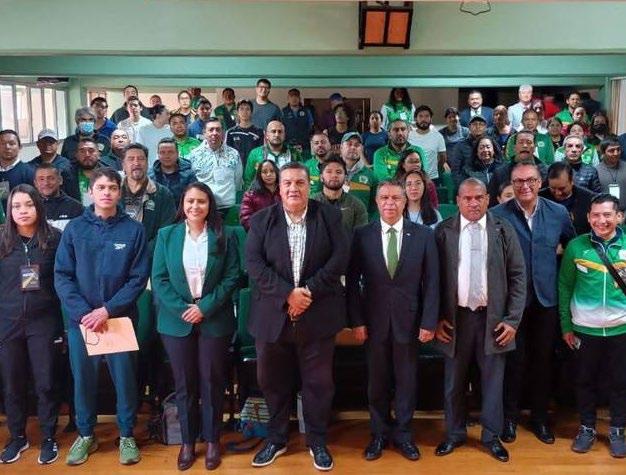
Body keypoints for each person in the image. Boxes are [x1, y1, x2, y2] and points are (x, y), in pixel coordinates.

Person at [245, 162, 349, 471]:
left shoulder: (329, 216)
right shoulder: (262, 220)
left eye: (299, 183)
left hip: (318, 314)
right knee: (272, 382)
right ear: (278, 188)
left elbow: (340, 258)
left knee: (318, 383)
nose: (293, 188)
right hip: (272, 317)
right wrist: (287, 295)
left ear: (309, 185)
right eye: (287, 183)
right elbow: (254, 264)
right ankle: (276, 439)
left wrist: (307, 292)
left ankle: (317, 441)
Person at [54, 167, 150, 466]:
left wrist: (108, 310)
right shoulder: (74, 229)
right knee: (83, 380)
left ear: (119, 193)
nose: (107, 192)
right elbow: (62, 276)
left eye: (112, 187)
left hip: (119, 320)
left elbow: (138, 278)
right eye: (101, 187)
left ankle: (126, 434)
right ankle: (86, 434)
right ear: (90, 192)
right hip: (82, 323)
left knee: (125, 379)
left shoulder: (133, 230)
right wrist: (85, 313)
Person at [433, 178, 526, 463]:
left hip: (493, 320)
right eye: (467, 198)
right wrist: (436, 319)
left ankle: (491, 437)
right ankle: (454, 434)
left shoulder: (503, 229)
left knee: (493, 382)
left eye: (478, 198)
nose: (473, 203)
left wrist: (512, 320)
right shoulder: (443, 231)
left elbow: (518, 276)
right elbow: (431, 279)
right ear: (458, 201)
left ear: (488, 199)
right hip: (455, 319)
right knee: (453, 382)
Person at [347, 179, 439, 462]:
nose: (390, 203)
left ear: (405, 201)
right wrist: (357, 321)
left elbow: (432, 283)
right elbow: (352, 283)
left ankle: (404, 435)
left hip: (409, 323)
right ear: (376, 201)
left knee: (406, 382)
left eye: (396, 198)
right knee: (377, 382)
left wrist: (429, 322)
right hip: (373, 323)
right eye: (384, 198)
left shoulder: (423, 235)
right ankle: (378, 434)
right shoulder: (362, 235)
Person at [152, 183, 240, 471]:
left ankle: (213, 440)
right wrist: (183, 309)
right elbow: (159, 279)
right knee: (184, 384)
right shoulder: (167, 235)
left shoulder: (224, 234)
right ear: (182, 204)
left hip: (214, 319)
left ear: (209, 205)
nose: (195, 206)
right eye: (190, 201)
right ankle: (188, 441)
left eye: (201, 201)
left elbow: (231, 277)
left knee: (212, 381)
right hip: (175, 322)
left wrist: (204, 307)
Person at [491, 161, 575, 445]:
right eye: (518, 181)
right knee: (512, 362)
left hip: (546, 299)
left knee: (542, 362)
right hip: (511, 303)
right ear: (511, 184)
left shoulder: (558, 213)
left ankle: (540, 418)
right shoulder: (497, 215)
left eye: (530, 180)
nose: (524, 186)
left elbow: (572, 246)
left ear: (540, 183)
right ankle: (509, 418)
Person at [559, 193, 626, 458]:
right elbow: (565, 287)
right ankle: (586, 428)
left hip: (621, 329)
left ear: (619, 216)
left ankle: (617, 430)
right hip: (584, 329)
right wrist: (566, 325)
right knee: (584, 381)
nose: (601, 220)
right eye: (596, 215)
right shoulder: (576, 247)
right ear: (588, 218)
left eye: (607, 215)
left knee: (620, 382)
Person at [0, 185, 62, 465]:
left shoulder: (54, 239)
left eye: (28, 205)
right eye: (16, 206)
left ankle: (48, 437)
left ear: (38, 206)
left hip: (43, 321)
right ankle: (17, 437)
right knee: (12, 382)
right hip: (7, 323)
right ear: (9, 210)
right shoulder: (2, 240)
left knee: (45, 381)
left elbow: (64, 279)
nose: (22, 211)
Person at [120, 143, 176, 252]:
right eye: (131, 159)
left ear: (147, 163)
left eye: (141, 159)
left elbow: (166, 231)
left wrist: (142, 252)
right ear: (123, 165)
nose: (136, 163)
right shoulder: (112, 191)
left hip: (148, 256)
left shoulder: (163, 194)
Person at [188, 118, 243, 214]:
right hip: (203, 208)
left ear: (223, 133)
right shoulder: (194, 155)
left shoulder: (234, 154)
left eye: (218, 130)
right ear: (204, 133)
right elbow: (191, 182)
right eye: (211, 130)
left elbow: (237, 182)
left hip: (228, 207)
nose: (214, 133)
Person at [312, 155, 368, 232]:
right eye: (329, 171)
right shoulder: (310, 204)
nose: (334, 175)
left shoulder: (356, 205)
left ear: (345, 177)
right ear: (321, 177)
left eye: (338, 172)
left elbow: (362, 236)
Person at [539, 162, 595, 235]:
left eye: (562, 188)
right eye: (553, 188)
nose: (558, 193)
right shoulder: (539, 199)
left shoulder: (589, 199)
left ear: (572, 181)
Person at [244, 120, 300, 189]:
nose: (277, 135)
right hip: (262, 194)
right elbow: (248, 181)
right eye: (273, 131)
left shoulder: (294, 153)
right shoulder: (255, 153)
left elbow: (300, 177)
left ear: (284, 135)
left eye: (280, 131)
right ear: (266, 135)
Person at [148, 138, 198, 207]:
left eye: (170, 152)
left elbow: (194, 198)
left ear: (177, 154)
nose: (166, 156)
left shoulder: (189, 175)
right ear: (158, 155)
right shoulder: (149, 176)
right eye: (162, 152)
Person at [34, 163, 84, 231]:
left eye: (51, 178)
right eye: (41, 179)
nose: (46, 183)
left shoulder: (76, 208)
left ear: (60, 180)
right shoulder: (32, 207)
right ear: (35, 183)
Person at [408, 105, 448, 182]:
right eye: (420, 116)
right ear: (416, 119)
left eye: (427, 116)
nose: (424, 119)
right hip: (412, 177)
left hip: (432, 178)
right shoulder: (409, 136)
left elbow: (443, 157)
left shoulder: (438, 136)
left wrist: (435, 170)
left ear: (431, 119)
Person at [341, 132, 377, 214]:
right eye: (349, 144)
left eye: (357, 145)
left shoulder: (371, 175)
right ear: (341, 147)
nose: (353, 147)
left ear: (361, 149)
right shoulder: (330, 172)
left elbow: (375, 207)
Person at [239, 159, 281, 231]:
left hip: (281, 233)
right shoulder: (250, 195)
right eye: (264, 172)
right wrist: (260, 231)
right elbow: (245, 218)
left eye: (272, 171)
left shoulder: (284, 192)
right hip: (259, 233)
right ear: (259, 174)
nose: (268, 174)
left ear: (276, 173)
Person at [64, 137, 106, 206]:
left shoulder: (108, 175)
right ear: (76, 155)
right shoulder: (66, 174)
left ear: (99, 155)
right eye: (82, 151)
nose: (87, 155)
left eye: (91, 151)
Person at [0, 129, 35, 209]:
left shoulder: (30, 172)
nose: (7, 147)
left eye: (12, 143)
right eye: (3, 143)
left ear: (20, 147)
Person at [225, 99, 264, 169]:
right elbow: (227, 154)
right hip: (236, 169)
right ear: (237, 112)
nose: (244, 112)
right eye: (241, 109)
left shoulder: (259, 132)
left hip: (252, 170)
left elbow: (261, 154)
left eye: (247, 109)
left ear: (251, 112)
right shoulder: (230, 132)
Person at [451, 115, 488, 187]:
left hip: (487, 183)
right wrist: (465, 186)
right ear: (469, 127)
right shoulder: (460, 145)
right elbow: (455, 171)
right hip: (467, 184)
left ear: (485, 127)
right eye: (474, 124)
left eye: (481, 124)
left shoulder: (491, 144)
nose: (478, 126)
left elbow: (497, 165)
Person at [596, 137, 626, 211]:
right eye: (611, 151)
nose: (616, 153)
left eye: (618, 150)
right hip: (604, 213)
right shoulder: (596, 171)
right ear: (603, 153)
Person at [282, 88, 314, 154]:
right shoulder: (283, 112)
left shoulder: (306, 111)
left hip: (304, 144)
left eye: (296, 97)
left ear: (299, 98)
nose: (294, 99)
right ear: (288, 98)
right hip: (288, 144)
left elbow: (311, 125)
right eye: (291, 97)